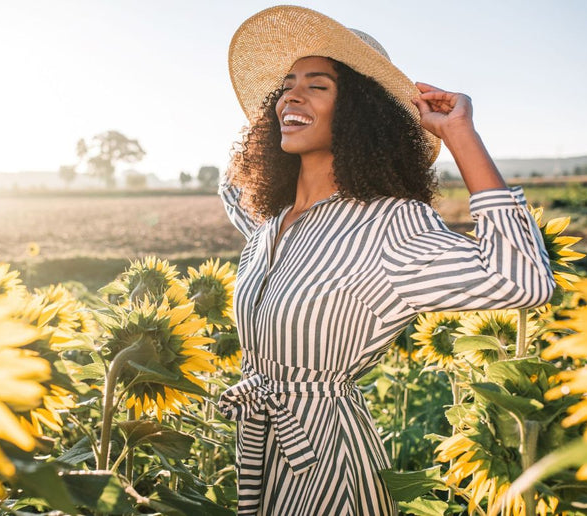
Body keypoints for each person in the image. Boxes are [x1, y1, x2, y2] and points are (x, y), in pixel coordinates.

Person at [216, 6, 555, 515]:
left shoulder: (390, 225)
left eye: (318, 85)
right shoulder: (269, 227)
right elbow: (230, 189)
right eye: (285, 85)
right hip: (258, 451)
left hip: (325, 462)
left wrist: (460, 134)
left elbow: (524, 280)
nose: (291, 94)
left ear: (359, 112)